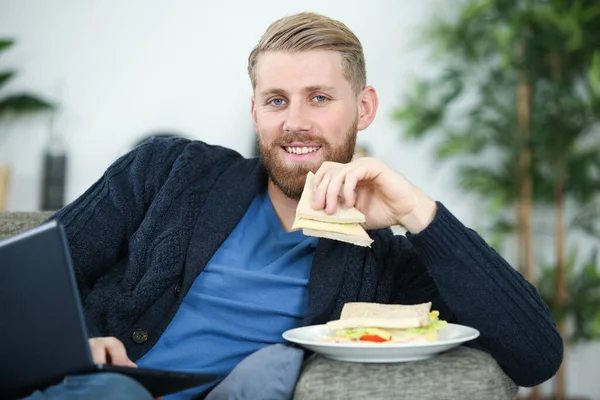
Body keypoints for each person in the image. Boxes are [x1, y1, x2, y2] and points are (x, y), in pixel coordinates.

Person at [25, 11, 562, 400]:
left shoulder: (384, 262)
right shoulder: (166, 171)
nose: (295, 122)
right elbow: (30, 279)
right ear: (255, 110)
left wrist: (420, 212)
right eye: (276, 100)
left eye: (320, 98)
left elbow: (535, 356)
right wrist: (80, 343)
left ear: (364, 107)